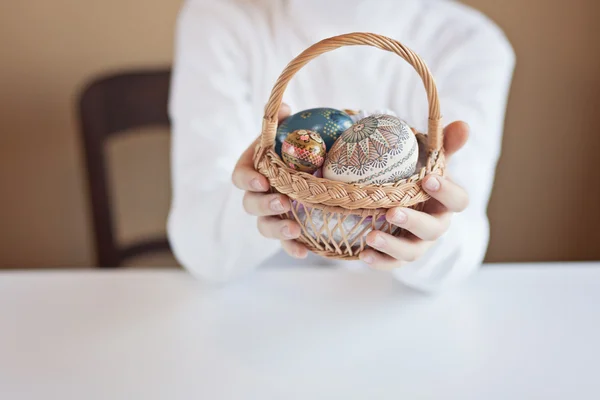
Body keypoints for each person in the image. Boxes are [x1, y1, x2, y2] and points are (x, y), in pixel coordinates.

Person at [168, 0, 515, 292]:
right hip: (258, 301)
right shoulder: (221, 17)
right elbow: (201, 250)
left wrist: (430, 230)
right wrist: (266, 194)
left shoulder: (470, 44)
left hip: (394, 308)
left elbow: (459, 255)